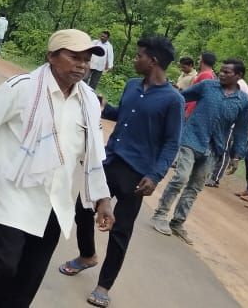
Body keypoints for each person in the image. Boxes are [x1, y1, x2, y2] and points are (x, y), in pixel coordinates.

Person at [0, 29, 114, 308]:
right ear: (51, 56)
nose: (82, 65)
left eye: (86, 60)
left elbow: (94, 154)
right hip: (13, 194)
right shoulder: (22, 87)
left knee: (26, 283)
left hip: (54, 203)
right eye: (74, 57)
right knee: (3, 266)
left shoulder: (89, 101)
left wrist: (103, 198)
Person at [57, 37, 184, 308]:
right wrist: (104, 108)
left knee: (121, 230)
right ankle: (87, 255)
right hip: (110, 161)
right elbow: (123, 115)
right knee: (83, 209)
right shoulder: (131, 85)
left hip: (137, 174)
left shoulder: (173, 100)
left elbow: (172, 142)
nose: (135, 59)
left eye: (139, 56)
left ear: (153, 61)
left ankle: (104, 286)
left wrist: (156, 175)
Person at [151, 59, 248, 244]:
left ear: (239, 76)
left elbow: (241, 129)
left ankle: (177, 222)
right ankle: (160, 214)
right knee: (181, 177)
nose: (222, 74)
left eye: (227, 72)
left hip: (214, 147)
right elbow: (181, 97)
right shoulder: (207, 86)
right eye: (221, 71)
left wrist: (236, 156)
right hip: (192, 137)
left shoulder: (243, 101)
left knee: (195, 186)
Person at [206, 78, 248, 187]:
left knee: (224, 151)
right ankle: (209, 174)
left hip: (231, 125)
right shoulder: (228, 83)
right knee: (215, 147)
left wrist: (238, 115)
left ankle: (215, 178)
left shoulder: (239, 83)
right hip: (222, 123)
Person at [183, 51, 217, 117]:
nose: (198, 61)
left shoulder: (206, 75)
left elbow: (198, 95)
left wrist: (188, 112)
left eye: (199, 59)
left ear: (202, 61)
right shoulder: (210, 74)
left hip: (193, 112)